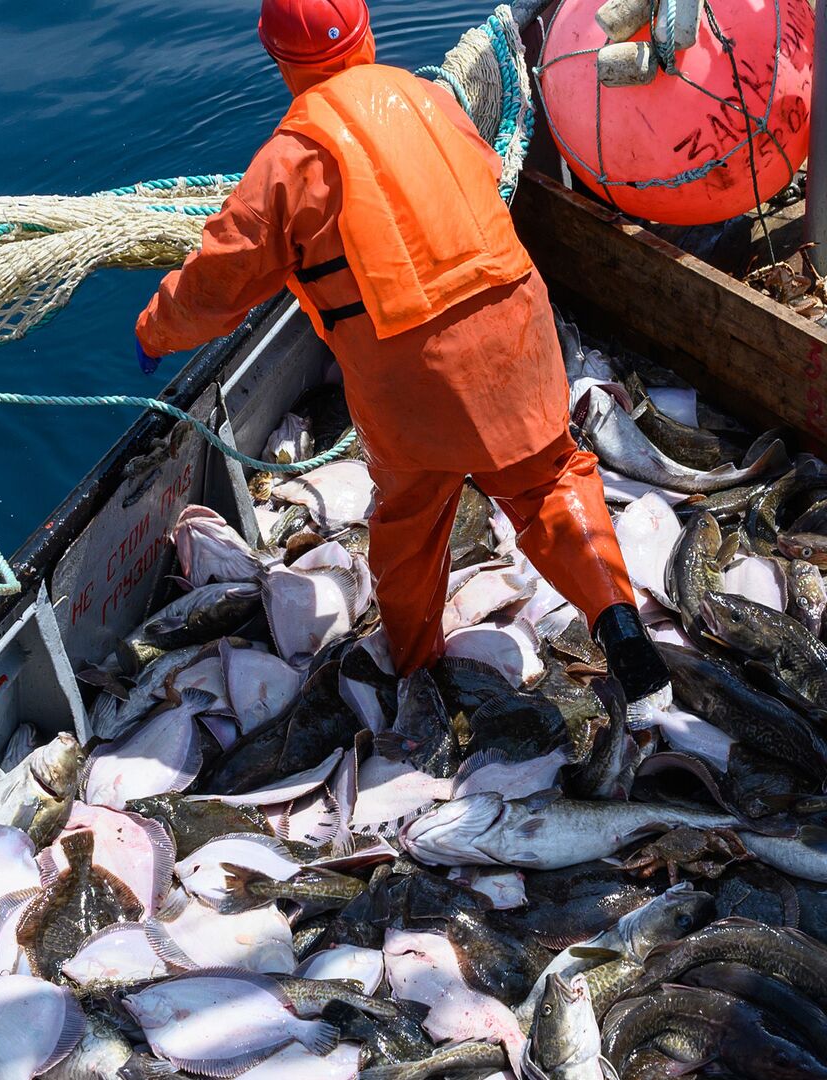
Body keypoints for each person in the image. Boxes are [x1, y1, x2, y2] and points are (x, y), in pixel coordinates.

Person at [133, 0, 669, 703]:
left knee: (411, 524)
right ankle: (619, 622)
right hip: (518, 327)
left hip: (415, 376)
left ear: (280, 61)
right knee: (550, 482)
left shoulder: (290, 158)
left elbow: (218, 280)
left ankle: (419, 668)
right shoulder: (432, 100)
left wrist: (154, 332)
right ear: (368, 32)